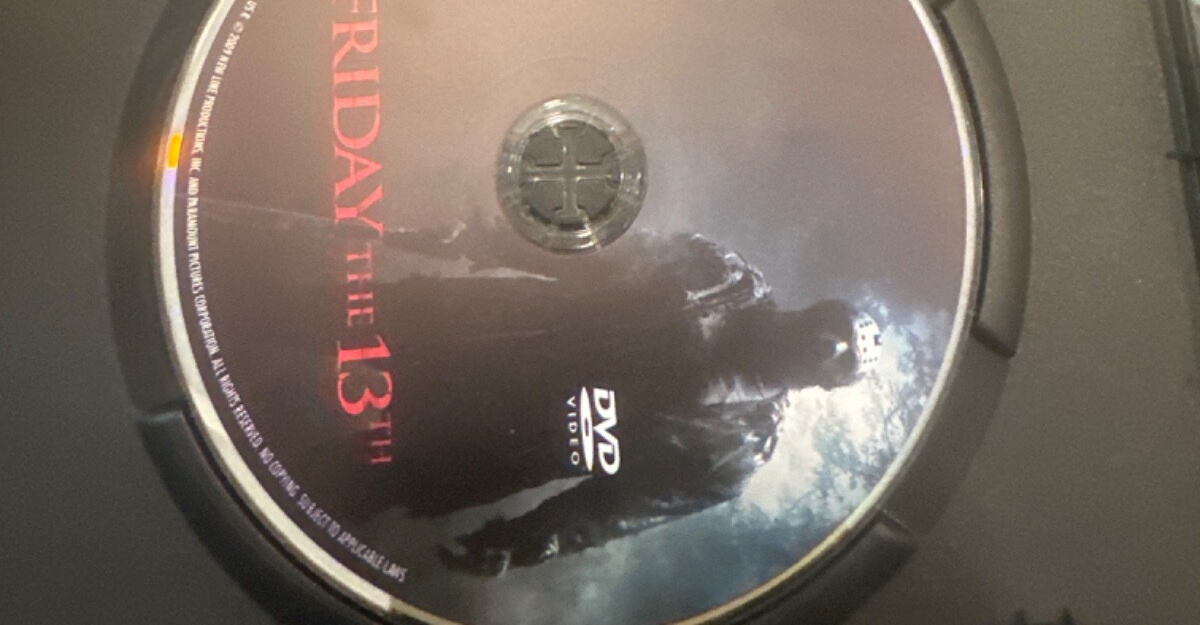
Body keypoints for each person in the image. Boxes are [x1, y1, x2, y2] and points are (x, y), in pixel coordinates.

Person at [202, 204, 882, 573]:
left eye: (840, 358)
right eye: (833, 333)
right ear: (810, 311)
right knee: (282, 316)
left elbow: (612, 508)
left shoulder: (736, 453)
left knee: (312, 494)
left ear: (825, 385)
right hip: (470, 328)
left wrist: (523, 541)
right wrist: (486, 239)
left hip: (483, 449)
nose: (830, 347)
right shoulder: (723, 276)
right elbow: (589, 250)